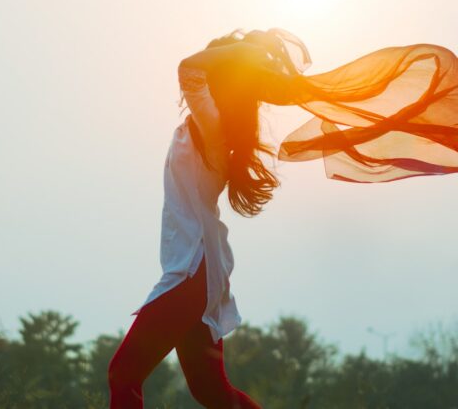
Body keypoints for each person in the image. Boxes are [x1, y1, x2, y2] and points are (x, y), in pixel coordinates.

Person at [107, 28, 458, 408]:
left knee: (123, 374)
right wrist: (239, 54)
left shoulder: (213, 124)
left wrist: (238, 52)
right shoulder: (214, 124)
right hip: (198, 270)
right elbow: (197, 71)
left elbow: (189, 69)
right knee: (211, 392)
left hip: (192, 270)